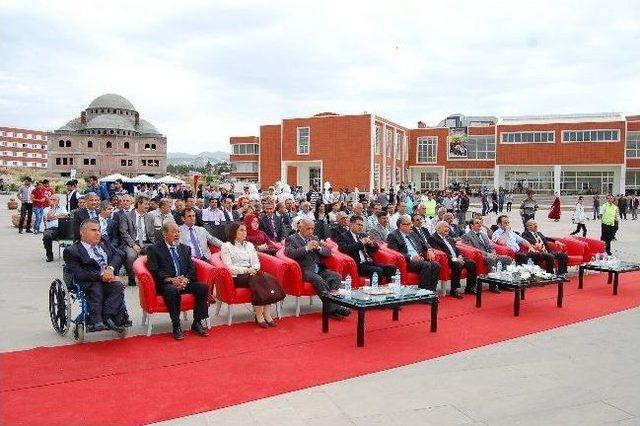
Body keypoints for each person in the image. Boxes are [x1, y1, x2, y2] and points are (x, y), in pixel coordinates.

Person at [63, 219, 132, 332]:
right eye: (93, 230)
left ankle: (108, 315)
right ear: (82, 232)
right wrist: (101, 275)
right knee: (96, 287)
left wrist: (110, 269)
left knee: (118, 286)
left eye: (99, 230)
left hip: (109, 277)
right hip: (89, 280)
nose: (98, 233)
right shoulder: (72, 251)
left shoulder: (104, 241)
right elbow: (80, 274)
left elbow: (119, 254)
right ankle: (95, 321)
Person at [146, 222, 211, 340]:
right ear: (164, 234)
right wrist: (171, 280)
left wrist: (185, 279)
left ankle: (197, 322)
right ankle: (176, 325)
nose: (177, 234)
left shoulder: (185, 248)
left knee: (203, 287)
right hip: (167, 283)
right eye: (173, 232)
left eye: (178, 231)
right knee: (171, 291)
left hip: (184, 281)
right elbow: (154, 270)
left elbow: (191, 268)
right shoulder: (154, 249)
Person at [221, 222, 284, 328]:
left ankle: (267, 314)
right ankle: (259, 316)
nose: (244, 232)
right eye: (241, 230)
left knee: (269, 278)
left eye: (245, 230)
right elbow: (229, 268)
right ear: (233, 232)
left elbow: (256, 262)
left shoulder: (249, 245)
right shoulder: (226, 246)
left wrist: (254, 269)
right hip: (237, 276)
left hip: (252, 273)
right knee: (257, 279)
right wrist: (247, 270)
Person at [284, 218, 349, 320]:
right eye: (308, 229)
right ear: (300, 228)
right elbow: (290, 253)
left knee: (336, 277)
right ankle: (336, 308)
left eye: (312, 229)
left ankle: (330, 310)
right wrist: (306, 248)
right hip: (304, 270)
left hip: (318, 268)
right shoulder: (292, 239)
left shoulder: (314, 238)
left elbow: (328, 252)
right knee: (318, 279)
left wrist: (319, 248)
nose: (310, 231)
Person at [386, 215, 441, 292]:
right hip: (407, 261)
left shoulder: (412, 233)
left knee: (436, 265)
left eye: (411, 223)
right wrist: (411, 257)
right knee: (427, 265)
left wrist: (429, 250)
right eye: (408, 224)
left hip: (420, 258)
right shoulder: (393, 236)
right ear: (401, 226)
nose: (411, 226)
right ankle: (423, 292)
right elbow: (395, 252)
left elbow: (424, 243)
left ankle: (431, 291)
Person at [337, 215, 397, 282]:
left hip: (368, 262)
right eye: (358, 225)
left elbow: (375, 249)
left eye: (362, 225)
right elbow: (344, 250)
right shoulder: (343, 236)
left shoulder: (363, 235)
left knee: (392, 268)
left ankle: (389, 289)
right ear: (351, 224)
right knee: (377, 271)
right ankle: (375, 290)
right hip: (357, 264)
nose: (360, 227)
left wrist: (371, 244)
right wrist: (361, 243)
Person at [462, 216, 511, 293]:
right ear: (471, 225)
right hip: (480, 257)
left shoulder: (483, 235)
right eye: (477, 223)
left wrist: (493, 252)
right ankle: (492, 285)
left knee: (507, 259)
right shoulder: (466, 236)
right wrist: (488, 254)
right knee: (491, 259)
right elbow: (471, 250)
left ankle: (502, 283)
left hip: (489, 255)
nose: (480, 224)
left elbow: (490, 246)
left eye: (480, 223)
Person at [428, 221, 477, 298]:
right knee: (458, 264)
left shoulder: (449, 237)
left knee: (472, 263)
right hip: (446, 260)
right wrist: (455, 259)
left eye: (448, 227)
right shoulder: (433, 238)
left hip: (456, 258)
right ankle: (454, 289)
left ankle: (470, 287)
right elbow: (440, 252)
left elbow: (456, 249)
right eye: (445, 227)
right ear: (438, 228)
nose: (447, 229)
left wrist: (460, 256)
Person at [119, 195, 157, 286]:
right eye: (146, 204)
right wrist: (133, 245)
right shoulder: (127, 215)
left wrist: (155, 246)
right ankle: (131, 278)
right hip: (131, 243)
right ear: (139, 204)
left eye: (148, 204)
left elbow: (151, 234)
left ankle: (154, 278)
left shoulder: (150, 217)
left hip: (146, 243)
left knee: (158, 252)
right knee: (131, 255)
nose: (148, 206)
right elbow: (123, 231)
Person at [42, 195, 69, 262]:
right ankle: (49, 255)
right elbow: (49, 217)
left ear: (58, 201)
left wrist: (54, 217)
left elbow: (65, 215)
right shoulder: (46, 209)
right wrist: (54, 207)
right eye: (51, 199)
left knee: (71, 234)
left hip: (63, 228)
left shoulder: (62, 208)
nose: (52, 201)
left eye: (54, 200)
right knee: (47, 236)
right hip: (51, 229)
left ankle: (67, 255)